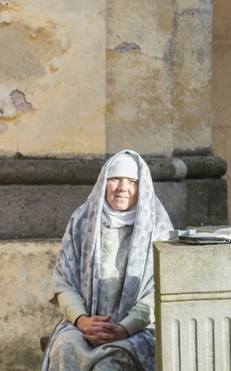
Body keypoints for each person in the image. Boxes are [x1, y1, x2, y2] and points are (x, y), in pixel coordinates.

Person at [42, 150, 173, 371]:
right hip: (83, 325)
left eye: (132, 181)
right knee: (64, 347)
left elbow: (161, 289)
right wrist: (82, 321)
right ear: (103, 182)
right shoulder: (82, 221)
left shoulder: (157, 228)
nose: (123, 188)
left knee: (108, 364)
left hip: (138, 330)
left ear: (143, 187)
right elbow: (64, 280)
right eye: (115, 179)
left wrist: (123, 328)